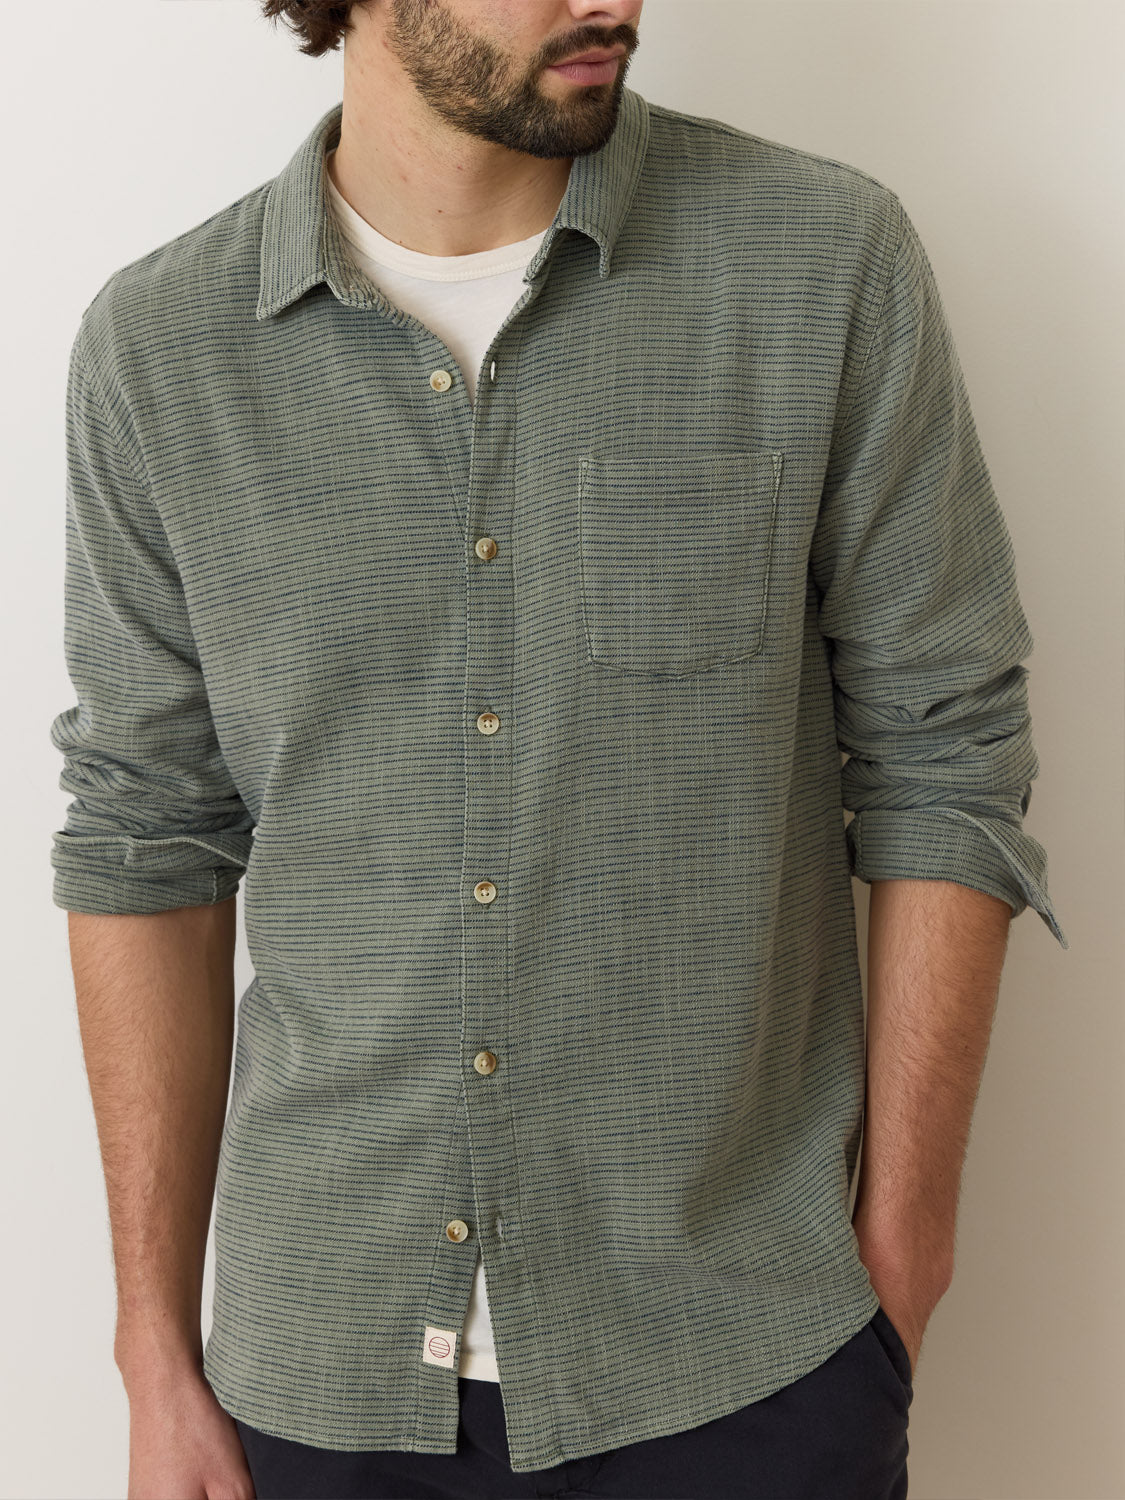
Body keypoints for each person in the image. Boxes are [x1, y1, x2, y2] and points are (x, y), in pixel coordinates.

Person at [48, 1, 1068, 1496]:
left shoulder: (820, 263)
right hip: (315, 1381)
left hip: (745, 1359)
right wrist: (152, 1345)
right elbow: (147, 838)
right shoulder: (161, 351)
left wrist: (903, 1253)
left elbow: (943, 755)